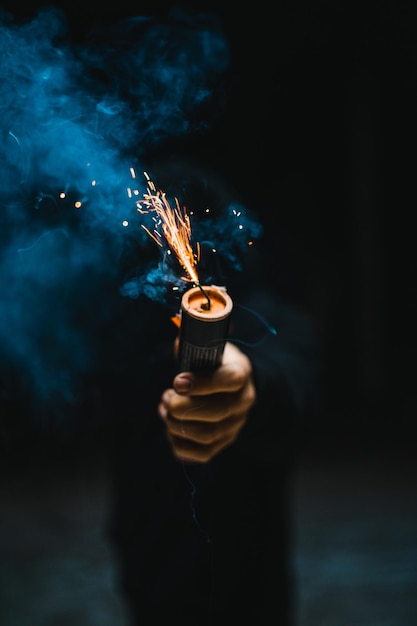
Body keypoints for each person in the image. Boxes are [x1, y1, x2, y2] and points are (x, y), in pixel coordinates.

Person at [0, 5, 321, 626]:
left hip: (243, 552)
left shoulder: (201, 206)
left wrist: (247, 384)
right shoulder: (77, 252)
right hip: (151, 553)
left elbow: (293, 340)